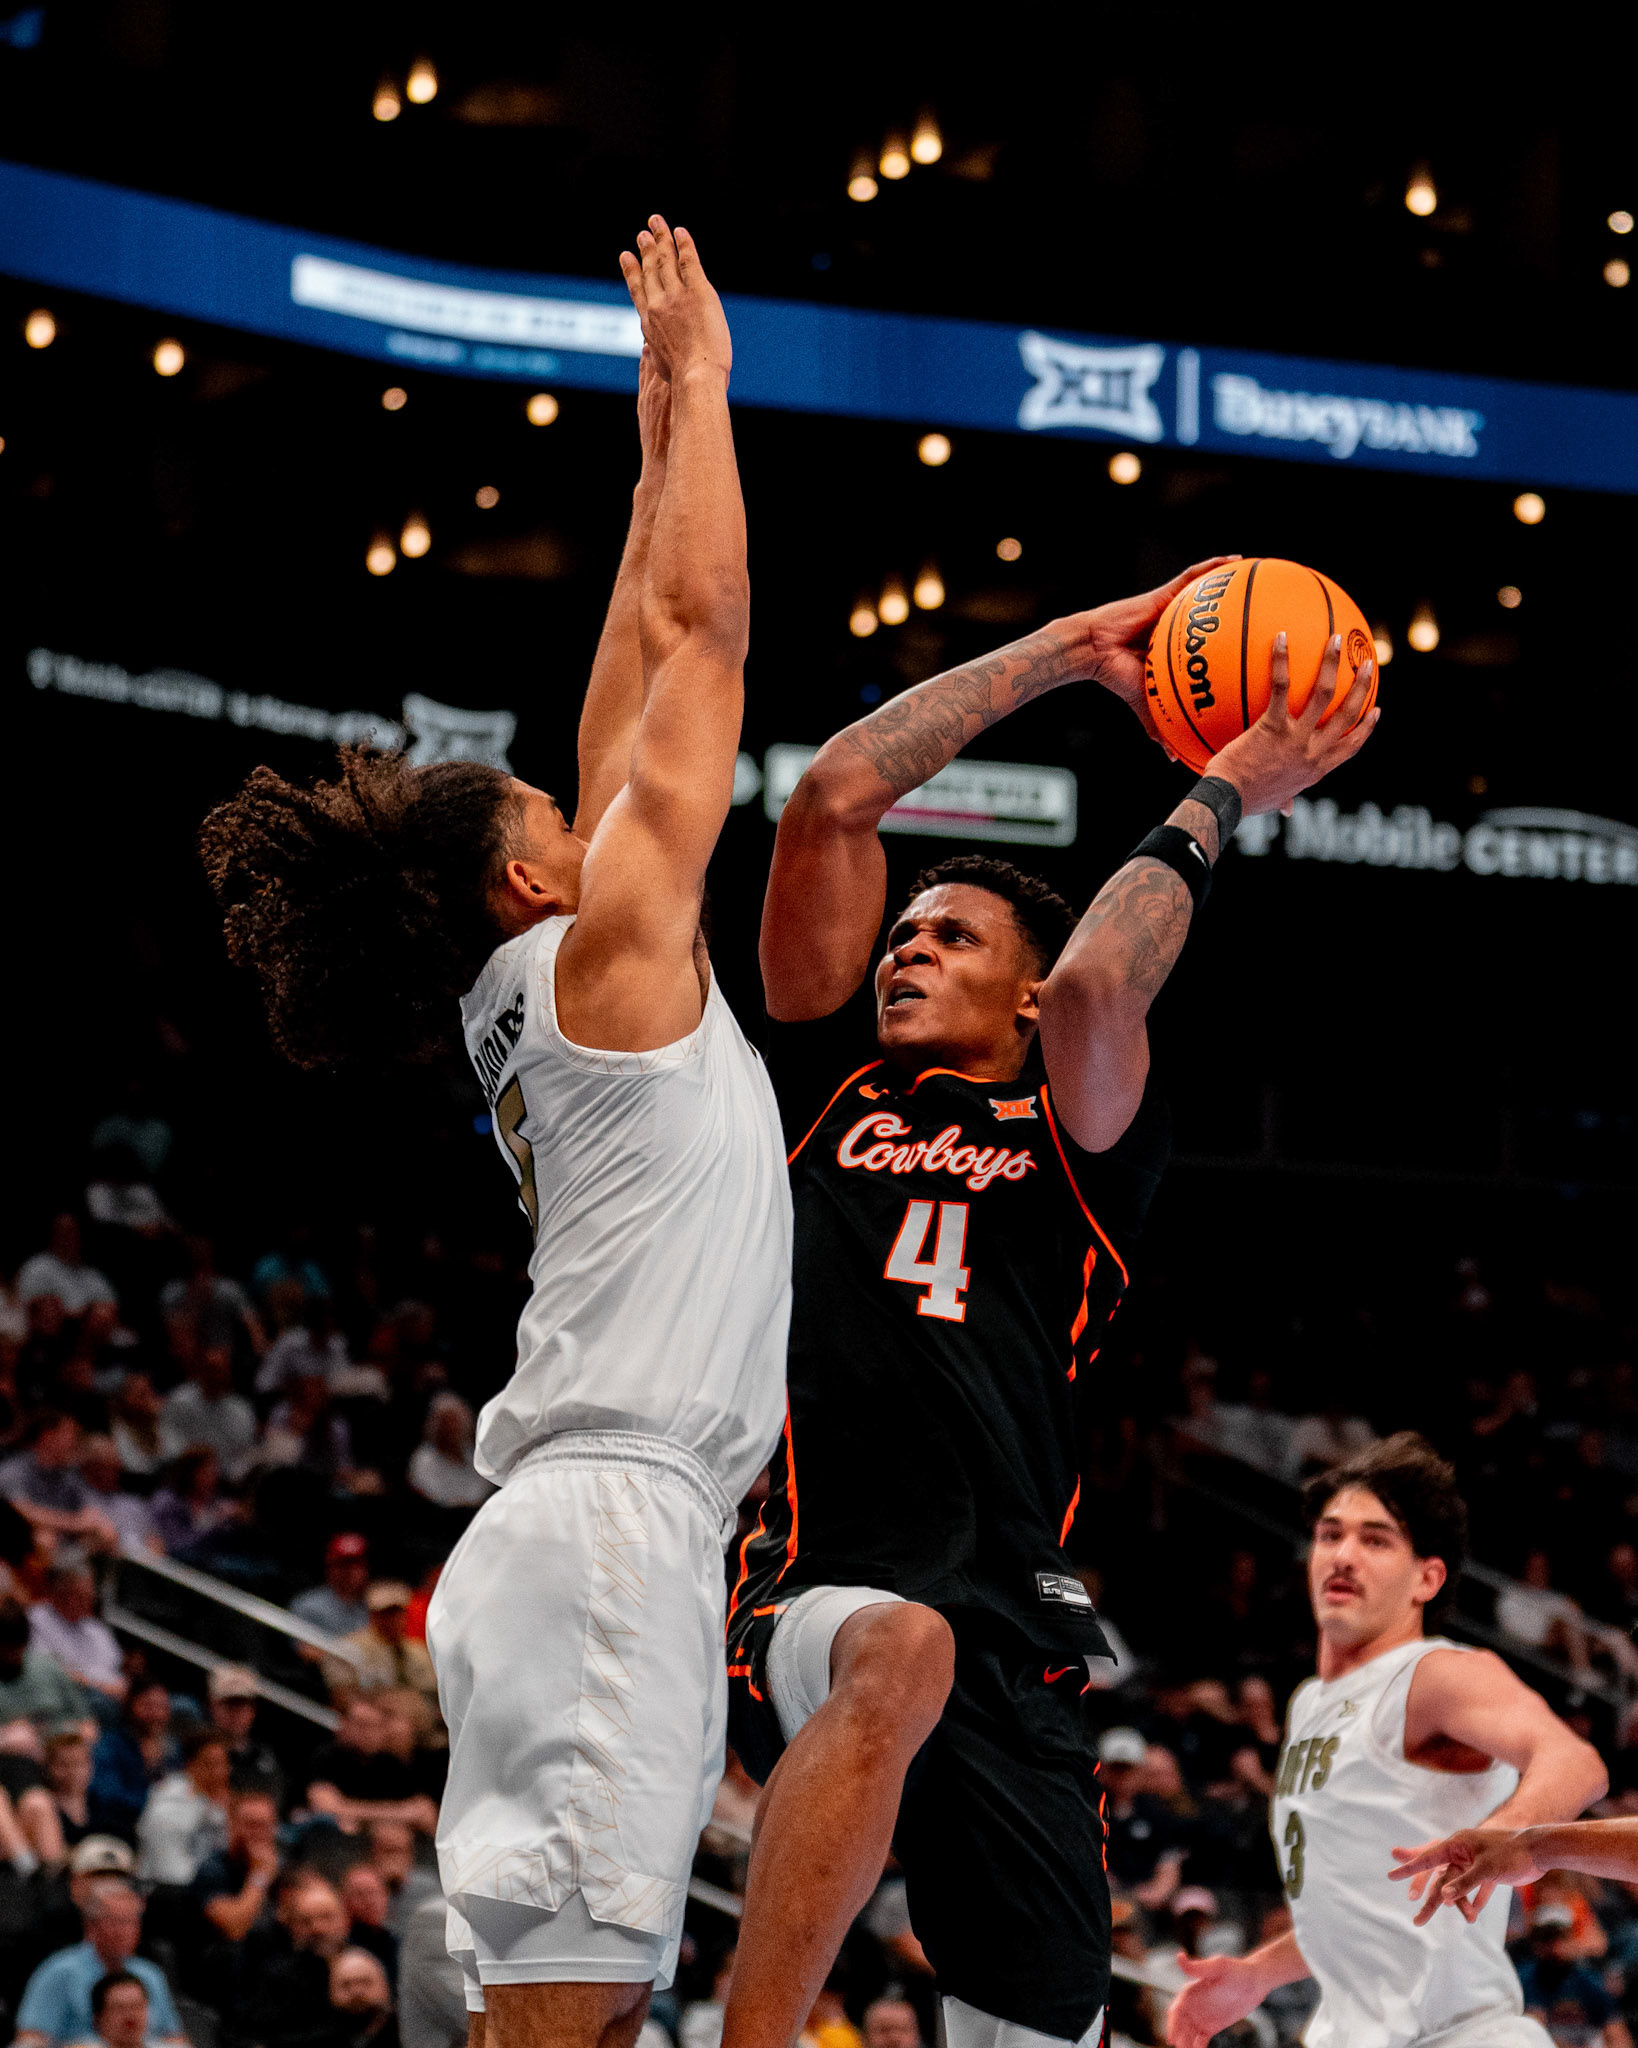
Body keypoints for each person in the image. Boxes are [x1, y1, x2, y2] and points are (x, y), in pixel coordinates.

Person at [201, 216, 790, 2048]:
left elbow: (633, 658)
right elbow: (695, 639)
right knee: (561, 2033)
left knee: (580, 2024)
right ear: (532, 875)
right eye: (560, 804)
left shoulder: (556, 980)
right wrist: (705, 382)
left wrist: (651, 434)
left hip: (611, 1528)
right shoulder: (603, 965)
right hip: (614, 1526)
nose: (591, 797)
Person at [724, 581, 1378, 2048]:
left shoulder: (1076, 1135)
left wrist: (1220, 790)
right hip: (819, 1570)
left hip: (1017, 1618)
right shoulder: (824, 1082)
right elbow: (831, 796)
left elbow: (1093, 976)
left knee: (1048, 2024)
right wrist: (1069, 653)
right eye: (905, 932)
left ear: (1019, 1002)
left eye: (949, 937)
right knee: (897, 1651)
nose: (904, 949)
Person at [1164, 1433, 1607, 2048]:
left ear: (1426, 1578)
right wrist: (1257, 1973)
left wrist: (1513, 1830)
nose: (1344, 1555)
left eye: (1375, 1540)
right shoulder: (1309, 1702)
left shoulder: (1435, 1673)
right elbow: (1366, 1902)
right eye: (1331, 1534)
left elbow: (1575, 1761)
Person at [13, 1876, 188, 2048]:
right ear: (91, 1926)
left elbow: (174, 2037)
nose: (124, 1931)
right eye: (116, 1922)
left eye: (131, 1922)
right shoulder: (60, 1971)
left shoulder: (150, 1974)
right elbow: (30, 2040)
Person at [304, 1692, 438, 1835]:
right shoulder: (328, 1756)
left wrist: (352, 1812)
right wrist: (400, 1813)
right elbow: (324, 1807)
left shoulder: (390, 1763)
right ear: (344, 1724)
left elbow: (425, 1813)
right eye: (361, 1725)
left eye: (375, 1726)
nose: (368, 1734)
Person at [0, 1411, 118, 1555]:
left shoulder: (69, 1473)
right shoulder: (14, 1470)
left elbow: (91, 1508)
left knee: (106, 1532)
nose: (75, 1441)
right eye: (69, 1433)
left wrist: (94, 1521)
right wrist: (74, 1523)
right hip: (21, 1538)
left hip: (65, 1536)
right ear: (48, 1436)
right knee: (45, 1539)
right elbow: (23, 1512)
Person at [136, 1723, 231, 1883]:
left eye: (224, 1764)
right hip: (166, 1891)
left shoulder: (217, 1805)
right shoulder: (167, 1804)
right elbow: (168, 1872)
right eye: (211, 1764)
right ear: (190, 1765)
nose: (219, 1773)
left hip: (201, 1888)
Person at [323, 1583, 439, 1703]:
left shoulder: (419, 1649)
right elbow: (342, 1697)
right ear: (372, 1615)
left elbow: (435, 1693)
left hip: (423, 1714)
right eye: (385, 1614)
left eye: (397, 1613)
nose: (392, 1620)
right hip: (376, 1715)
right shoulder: (348, 1648)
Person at [30, 1560, 126, 1702]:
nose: (88, 1602)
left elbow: (117, 1671)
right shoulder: (35, 1619)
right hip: (64, 1696)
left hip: (108, 1696)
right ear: (59, 1592)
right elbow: (44, 1668)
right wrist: (94, 1685)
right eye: (80, 1596)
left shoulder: (95, 1628)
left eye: (89, 1596)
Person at [158, 1342, 259, 1477]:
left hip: (229, 1480)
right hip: (185, 1477)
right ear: (202, 1371)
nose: (216, 1375)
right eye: (212, 1369)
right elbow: (168, 1442)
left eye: (221, 1369)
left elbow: (245, 1453)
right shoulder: (180, 1401)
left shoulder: (241, 1410)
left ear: (228, 1372)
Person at [206, 1662, 284, 1802]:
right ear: (213, 1706)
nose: (236, 1713)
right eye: (229, 1704)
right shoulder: (199, 1753)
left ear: (252, 1710)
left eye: (242, 1704)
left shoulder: (265, 1757)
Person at [16, 1216, 118, 1320]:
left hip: (88, 1332)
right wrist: (80, 1313)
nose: (69, 1238)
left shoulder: (91, 1274)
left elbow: (111, 1306)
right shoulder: (36, 1268)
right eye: (63, 1232)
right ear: (53, 1235)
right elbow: (30, 1307)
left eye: (73, 1232)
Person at [293, 1531, 372, 1641]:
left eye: (356, 1564)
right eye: (342, 1564)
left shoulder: (380, 1603)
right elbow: (306, 1650)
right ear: (330, 1566)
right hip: (332, 1657)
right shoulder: (309, 1605)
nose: (349, 1571)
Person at [329, 1946, 401, 2048]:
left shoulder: (406, 2036)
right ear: (332, 1993)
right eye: (346, 1984)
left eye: (365, 1982)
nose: (356, 1992)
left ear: (385, 1987)